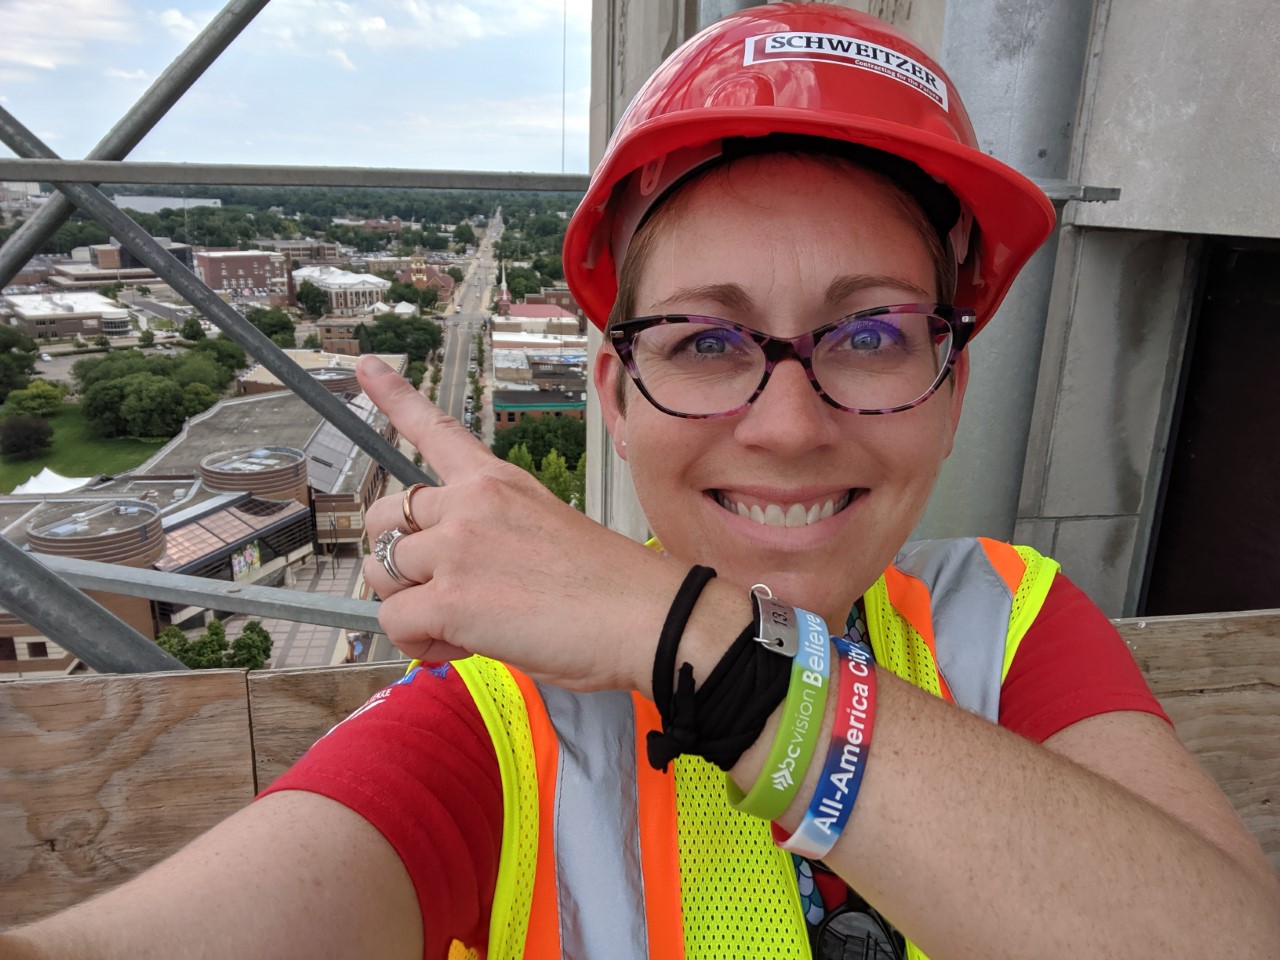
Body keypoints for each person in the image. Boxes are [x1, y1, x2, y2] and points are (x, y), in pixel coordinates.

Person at [3, 6, 1277, 960]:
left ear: (949, 389)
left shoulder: (1007, 624)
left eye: (872, 335)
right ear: (611, 400)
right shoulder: (500, 734)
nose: (786, 424)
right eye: (705, 344)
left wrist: (701, 643)